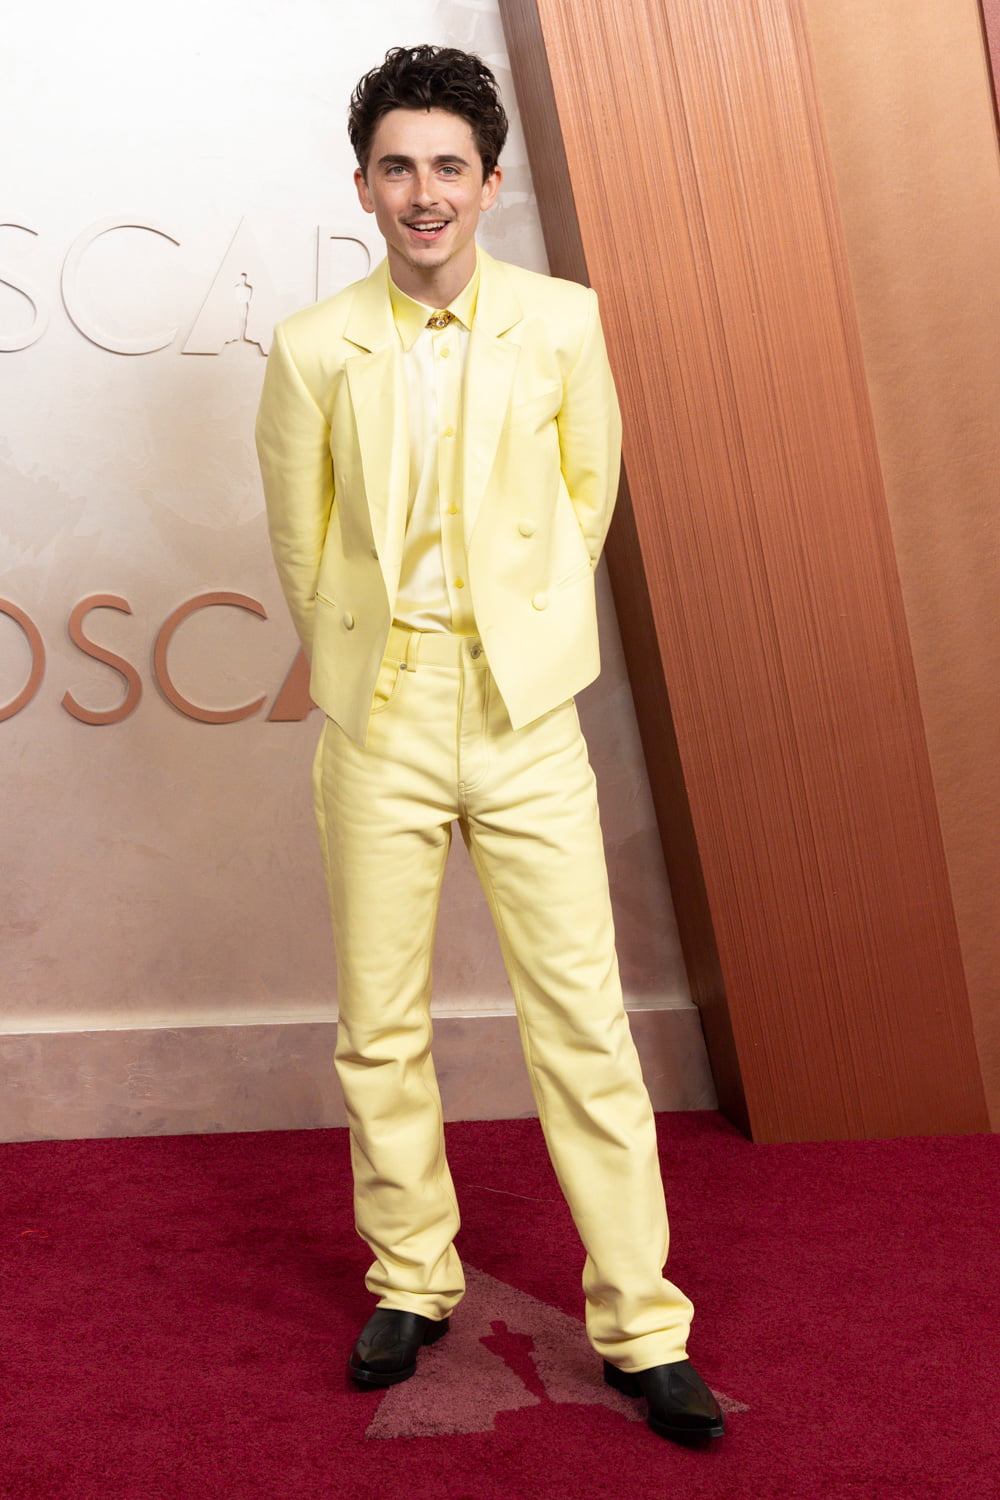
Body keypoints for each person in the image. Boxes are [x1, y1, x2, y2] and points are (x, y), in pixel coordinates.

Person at [255, 44, 723, 1445]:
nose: (422, 190)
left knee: (582, 1023)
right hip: (382, 719)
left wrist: (519, 640)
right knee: (380, 1025)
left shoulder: (566, 323)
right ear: (363, 186)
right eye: (397, 166)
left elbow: (588, 499)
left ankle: (643, 1322)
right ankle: (411, 1277)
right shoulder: (312, 347)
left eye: (447, 166)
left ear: (489, 183)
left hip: (523, 719)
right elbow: (301, 531)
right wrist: (363, 669)